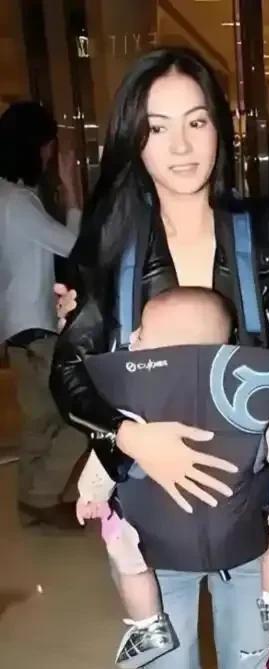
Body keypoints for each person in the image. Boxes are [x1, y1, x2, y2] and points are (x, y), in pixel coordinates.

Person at [50, 47, 269, 669]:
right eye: (157, 127)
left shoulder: (263, 228)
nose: (180, 146)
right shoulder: (112, 239)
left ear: (220, 129)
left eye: (196, 122)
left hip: (253, 511)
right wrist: (131, 440)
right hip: (152, 512)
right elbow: (69, 370)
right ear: (133, 139)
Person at [76, 287, 269, 668]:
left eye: (142, 332)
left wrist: (90, 495)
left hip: (155, 538)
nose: (133, 337)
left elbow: (103, 461)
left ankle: (147, 625)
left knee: (127, 555)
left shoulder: (131, 409)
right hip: (243, 534)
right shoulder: (252, 404)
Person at [0, 101, 86, 530]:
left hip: (15, 329)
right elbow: (74, 246)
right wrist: (73, 197)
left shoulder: (6, 196)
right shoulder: (18, 202)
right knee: (79, 416)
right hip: (35, 327)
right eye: (50, 145)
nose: (52, 154)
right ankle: (42, 497)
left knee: (39, 420)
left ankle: (30, 502)